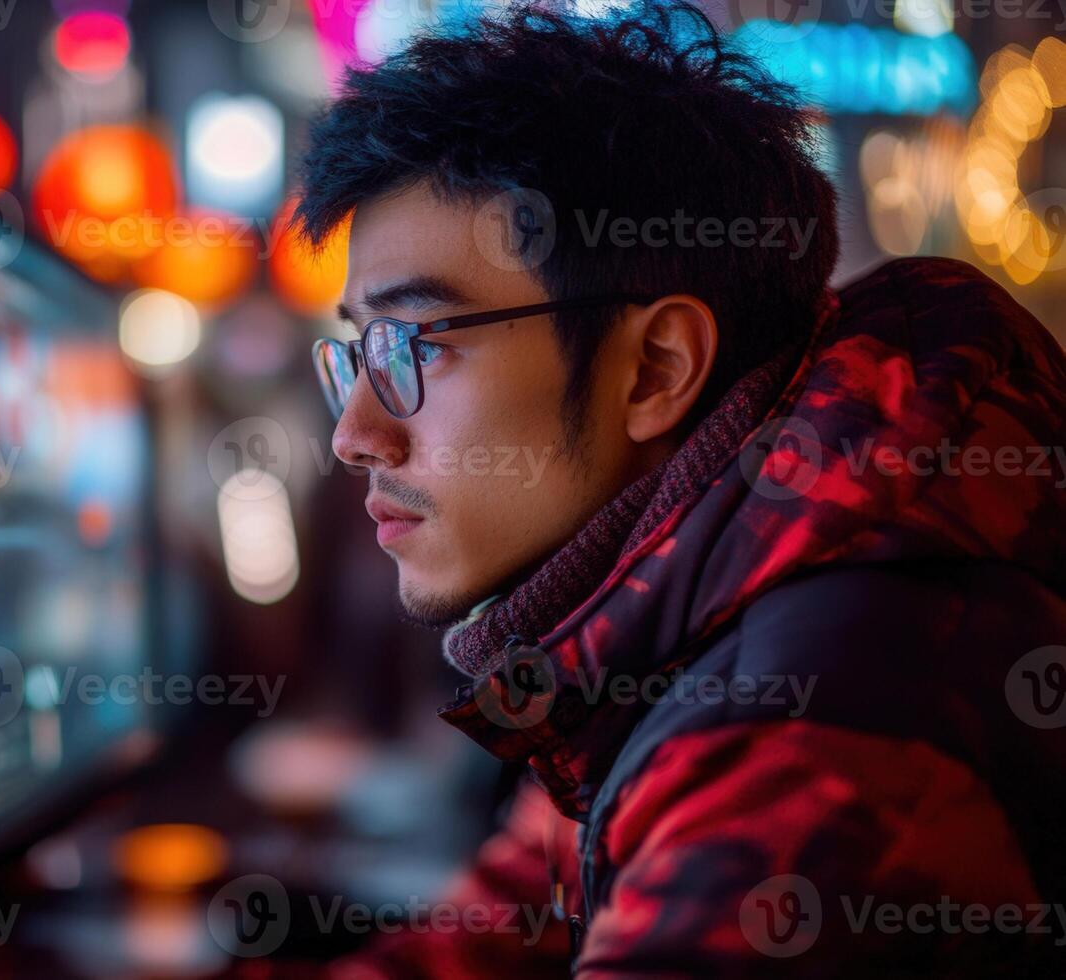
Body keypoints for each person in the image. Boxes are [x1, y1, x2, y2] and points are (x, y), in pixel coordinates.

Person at [297, 2, 1066, 973]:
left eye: (414, 346)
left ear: (657, 367)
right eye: (356, 354)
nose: (354, 432)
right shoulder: (670, 618)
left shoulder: (810, 732)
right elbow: (486, 940)